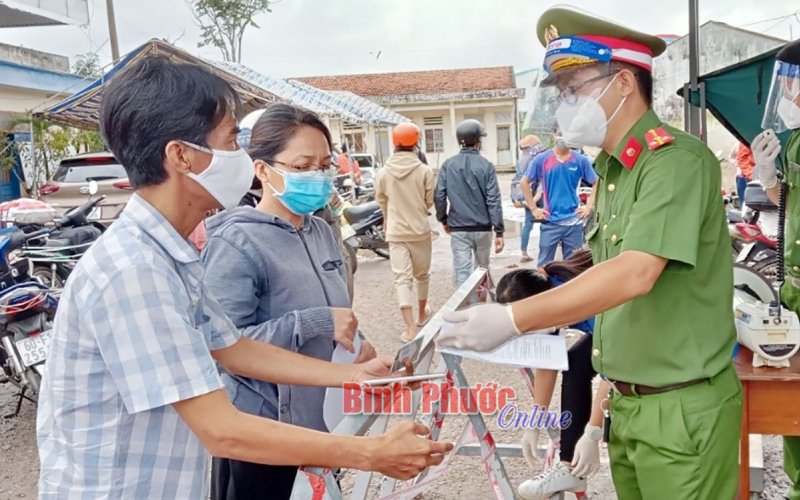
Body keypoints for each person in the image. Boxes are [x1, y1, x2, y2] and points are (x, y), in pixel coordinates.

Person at [35, 57, 452, 499]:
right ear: (181, 155)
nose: (241, 155)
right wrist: (369, 452)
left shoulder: (173, 253)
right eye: (231, 139)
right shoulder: (136, 269)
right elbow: (221, 430)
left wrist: (351, 378)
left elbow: (234, 349)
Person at [437, 7, 741, 500]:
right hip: (630, 404)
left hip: (681, 410)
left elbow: (635, 273)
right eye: (561, 93)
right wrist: (597, 416)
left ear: (623, 83)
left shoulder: (674, 162)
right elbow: (612, 298)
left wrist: (515, 317)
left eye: (575, 88)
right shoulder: (614, 171)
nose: (565, 104)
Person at [201, 103, 378, 498]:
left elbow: (338, 314)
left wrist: (359, 349)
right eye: (301, 168)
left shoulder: (320, 232)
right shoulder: (236, 243)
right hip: (266, 432)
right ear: (263, 170)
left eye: (324, 165)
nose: (317, 176)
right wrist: (313, 322)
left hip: (320, 423)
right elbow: (223, 343)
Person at [495, 250, 611, 499]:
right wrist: (536, 420)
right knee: (574, 364)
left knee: (610, 389)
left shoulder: (586, 302)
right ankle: (569, 468)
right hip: (612, 335)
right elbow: (548, 359)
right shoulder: (546, 287)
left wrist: (592, 432)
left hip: (637, 333)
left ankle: (575, 463)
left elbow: (616, 370)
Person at [752, 38, 800, 500]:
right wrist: (769, 176)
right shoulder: (797, 140)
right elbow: (790, 206)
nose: (788, 95)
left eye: (793, 85)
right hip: (796, 289)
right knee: (793, 403)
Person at [375, 122, 435, 342]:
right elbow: (429, 202)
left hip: (396, 232)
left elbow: (381, 199)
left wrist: (388, 217)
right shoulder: (425, 171)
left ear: (394, 144)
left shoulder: (383, 173)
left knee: (402, 279)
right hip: (420, 231)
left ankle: (410, 329)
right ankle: (421, 314)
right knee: (422, 276)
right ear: (416, 143)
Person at [434, 119, 505, 286]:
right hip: (483, 229)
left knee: (462, 271)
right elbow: (494, 199)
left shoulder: (448, 165)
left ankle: (465, 308)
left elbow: (439, 196)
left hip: (459, 228)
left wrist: (443, 219)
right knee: (482, 270)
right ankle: (480, 306)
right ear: (478, 141)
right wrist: (499, 230)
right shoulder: (486, 166)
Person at [521, 137, 597, 266]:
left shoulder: (580, 160)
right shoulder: (542, 159)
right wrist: (534, 209)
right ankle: (547, 287)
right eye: (561, 134)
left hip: (574, 222)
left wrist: (588, 206)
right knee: (544, 266)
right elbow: (524, 182)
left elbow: (596, 181)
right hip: (550, 222)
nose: (564, 138)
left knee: (573, 266)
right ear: (553, 136)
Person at [511, 135, 546, 262]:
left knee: (528, 224)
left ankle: (524, 252)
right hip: (539, 195)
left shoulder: (521, 161)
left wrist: (515, 197)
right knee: (545, 223)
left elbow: (516, 179)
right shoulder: (538, 158)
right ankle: (544, 253)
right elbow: (542, 179)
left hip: (527, 196)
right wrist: (536, 198)